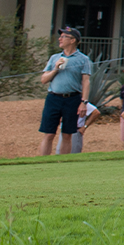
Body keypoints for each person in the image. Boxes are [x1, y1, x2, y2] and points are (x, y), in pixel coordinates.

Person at [38, 27, 93, 156]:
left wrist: (84, 102)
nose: (60, 39)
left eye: (63, 36)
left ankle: (61, 163)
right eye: (60, 36)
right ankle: (42, 163)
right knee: (49, 133)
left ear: (73, 40)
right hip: (53, 98)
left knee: (67, 134)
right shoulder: (54, 58)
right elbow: (44, 79)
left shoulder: (83, 59)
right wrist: (56, 68)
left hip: (72, 99)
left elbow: (86, 82)